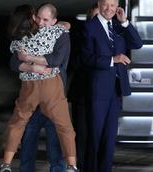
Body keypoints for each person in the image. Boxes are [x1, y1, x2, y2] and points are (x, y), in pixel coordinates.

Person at [0, 4, 78, 172]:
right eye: (38, 18)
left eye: (45, 19)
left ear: (53, 20)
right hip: (48, 88)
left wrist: (29, 59)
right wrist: (33, 67)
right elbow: (16, 63)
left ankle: (6, 165)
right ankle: (72, 166)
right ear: (34, 18)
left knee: (22, 126)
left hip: (39, 89)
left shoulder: (22, 37)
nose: (41, 22)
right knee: (59, 129)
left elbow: (56, 59)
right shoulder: (57, 32)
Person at [81, 0, 142, 171]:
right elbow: (86, 58)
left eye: (113, 5)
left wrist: (124, 22)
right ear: (99, 5)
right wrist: (112, 60)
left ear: (117, 7)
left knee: (109, 138)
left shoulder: (118, 26)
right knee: (95, 135)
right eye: (106, 5)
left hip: (115, 89)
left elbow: (138, 43)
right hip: (98, 90)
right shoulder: (89, 27)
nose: (109, 9)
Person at [67, 3, 98, 171]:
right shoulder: (79, 37)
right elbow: (74, 62)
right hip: (82, 92)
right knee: (82, 133)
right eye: (93, 18)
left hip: (102, 94)